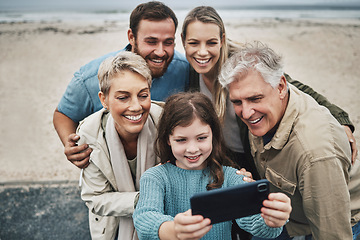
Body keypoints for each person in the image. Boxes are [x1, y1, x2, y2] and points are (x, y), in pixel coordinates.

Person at [181, 6, 357, 177]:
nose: (202, 52)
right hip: (225, 156)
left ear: (222, 40)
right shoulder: (190, 72)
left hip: (255, 152)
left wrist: (342, 122)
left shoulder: (241, 66)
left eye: (211, 42)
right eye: (194, 43)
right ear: (183, 42)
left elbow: (293, 87)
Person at [218, 41, 360, 240]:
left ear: (281, 87)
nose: (247, 112)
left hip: (333, 222)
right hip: (289, 214)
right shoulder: (268, 107)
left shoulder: (315, 152)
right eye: (237, 102)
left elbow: (333, 233)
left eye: (255, 99)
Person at [133, 92, 292, 240]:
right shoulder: (155, 177)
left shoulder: (230, 177)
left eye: (201, 138)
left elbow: (254, 221)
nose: (193, 149)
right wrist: (174, 230)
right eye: (181, 140)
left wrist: (272, 220)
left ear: (213, 136)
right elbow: (145, 218)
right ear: (168, 139)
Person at [53, 1, 189, 168]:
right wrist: (71, 145)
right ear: (131, 37)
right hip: (110, 170)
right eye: (151, 42)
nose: (160, 52)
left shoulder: (184, 69)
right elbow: (63, 114)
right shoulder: (90, 78)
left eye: (168, 42)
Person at [77, 51, 163, 239]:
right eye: (123, 97)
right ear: (104, 99)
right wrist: (142, 199)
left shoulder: (165, 121)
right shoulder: (89, 134)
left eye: (143, 95)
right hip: (113, 229)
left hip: (162, 224)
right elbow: (95, 198)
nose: (136, 106)